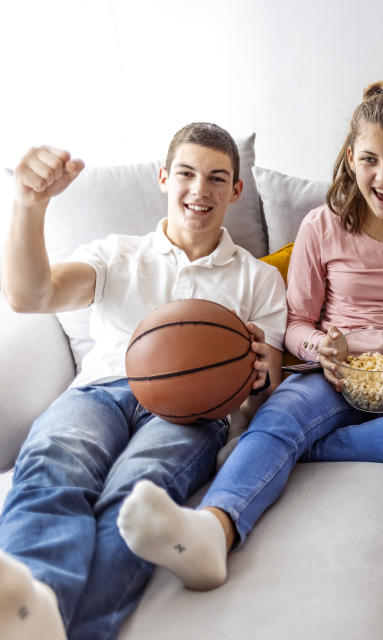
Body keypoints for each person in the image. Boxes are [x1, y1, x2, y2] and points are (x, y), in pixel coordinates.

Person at [116, 79, 383, 591]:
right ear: (351, 158)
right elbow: (295, 325)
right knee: (281, 413)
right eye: (370, 160)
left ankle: (315, 448)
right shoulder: (323, 225)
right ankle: (214, 529)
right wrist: (322, 350)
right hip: (333, 376)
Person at [0, 123, 288, 640]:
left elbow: (265, 383)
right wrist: (28, 205)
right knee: (54, 462)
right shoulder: (115, 254)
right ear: (163, 178)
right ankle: (28, 612)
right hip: (99, 393)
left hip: (192, 410)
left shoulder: (258, 279)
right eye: (186, 173)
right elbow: (31, 296)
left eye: (217, 178)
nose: (200, 190)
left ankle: (71, 628)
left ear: (236, 191)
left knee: (137, 491)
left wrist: (263, 370)